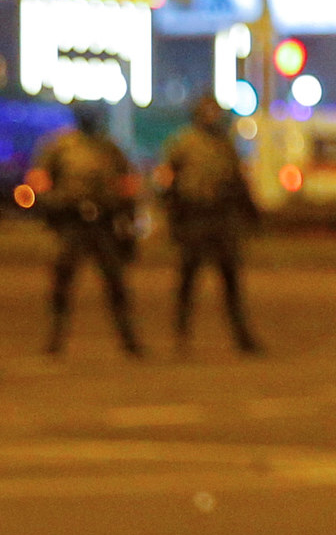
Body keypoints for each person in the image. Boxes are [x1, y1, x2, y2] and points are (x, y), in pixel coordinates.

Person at [27, 101, 143, 357]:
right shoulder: (60, 147)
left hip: (103, 223)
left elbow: (127, 182)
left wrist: (125, 213)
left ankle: (129, 340)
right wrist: (53, 206)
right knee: (62, 282)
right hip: (72, 222)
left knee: (116, 283)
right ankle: (55, 340)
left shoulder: (109, 149)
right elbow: (40, 179)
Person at [155, 94, 260, 354]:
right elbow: (168, 182)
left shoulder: (225, 145)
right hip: (196, 217)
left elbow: (238, 182)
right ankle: (181, 336)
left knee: (230, 281)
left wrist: (251, 213)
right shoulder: (183, 143)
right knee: (188, 281)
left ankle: (242, 337)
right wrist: (173, 216)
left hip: (221, 219)